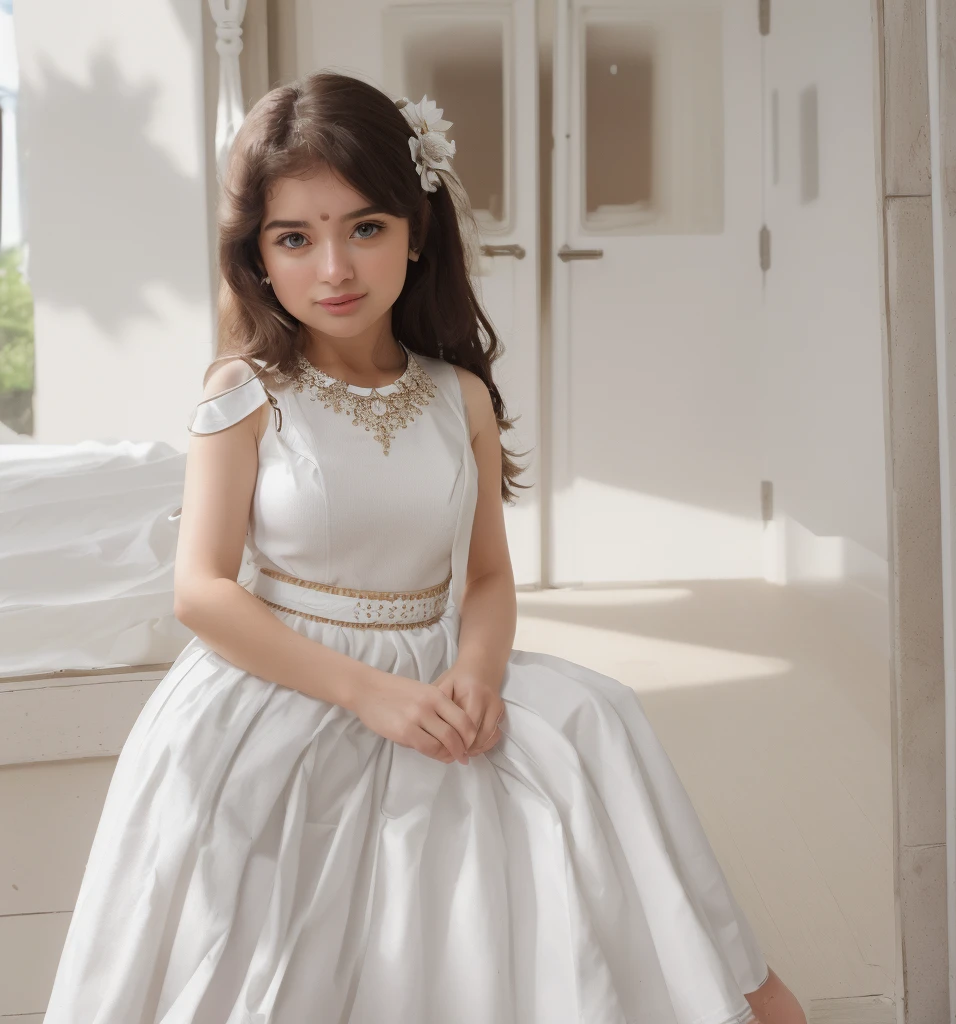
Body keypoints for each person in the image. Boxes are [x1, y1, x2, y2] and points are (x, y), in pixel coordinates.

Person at [42, 71, 807, 1024]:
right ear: (259, 257)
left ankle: (735, 992)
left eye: (365, 228)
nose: (335, 268)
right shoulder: (244, 393)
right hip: (288, 683)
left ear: (417, 230)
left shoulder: (461, 398)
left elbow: (485, 574)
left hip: (443, 668)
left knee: (595, 718)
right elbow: (201, 592)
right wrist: (371, 694)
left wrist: (476, 675)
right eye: (295, 238)